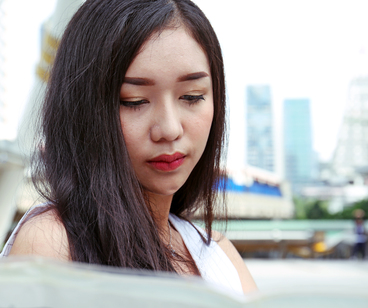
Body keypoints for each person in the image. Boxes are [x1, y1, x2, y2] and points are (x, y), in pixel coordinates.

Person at [0, 0, 257, 295]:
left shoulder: (218, 254)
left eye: (192, 96)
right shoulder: (55, 243)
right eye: (134, 101)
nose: (170, 129)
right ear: (83, 111)